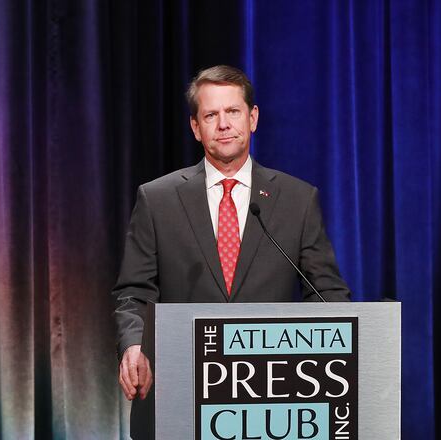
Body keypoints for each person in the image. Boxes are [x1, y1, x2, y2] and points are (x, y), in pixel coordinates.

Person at [113, 65, 350, 409]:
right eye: (211, 115)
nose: (223, 124)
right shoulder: (157, 199)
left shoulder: (298, 199)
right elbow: (133, 293)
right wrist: (133, 345)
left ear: (252, 118)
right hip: (183, 390)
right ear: (196, 127)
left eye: (233, 112)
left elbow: (327, 293)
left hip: (274, 391)